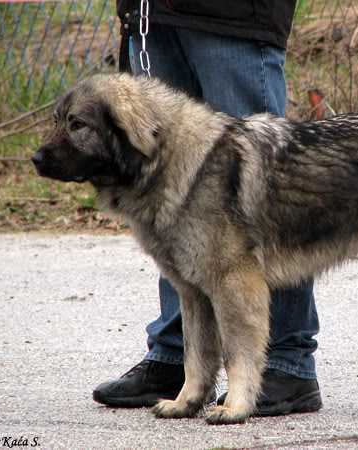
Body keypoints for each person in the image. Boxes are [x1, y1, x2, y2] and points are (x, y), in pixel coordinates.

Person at [92, 0, 323, 416]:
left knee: (264, 195)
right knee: (171, 197)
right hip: (152, 15)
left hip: (233, 18)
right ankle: (177, 357)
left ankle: (286, 363)